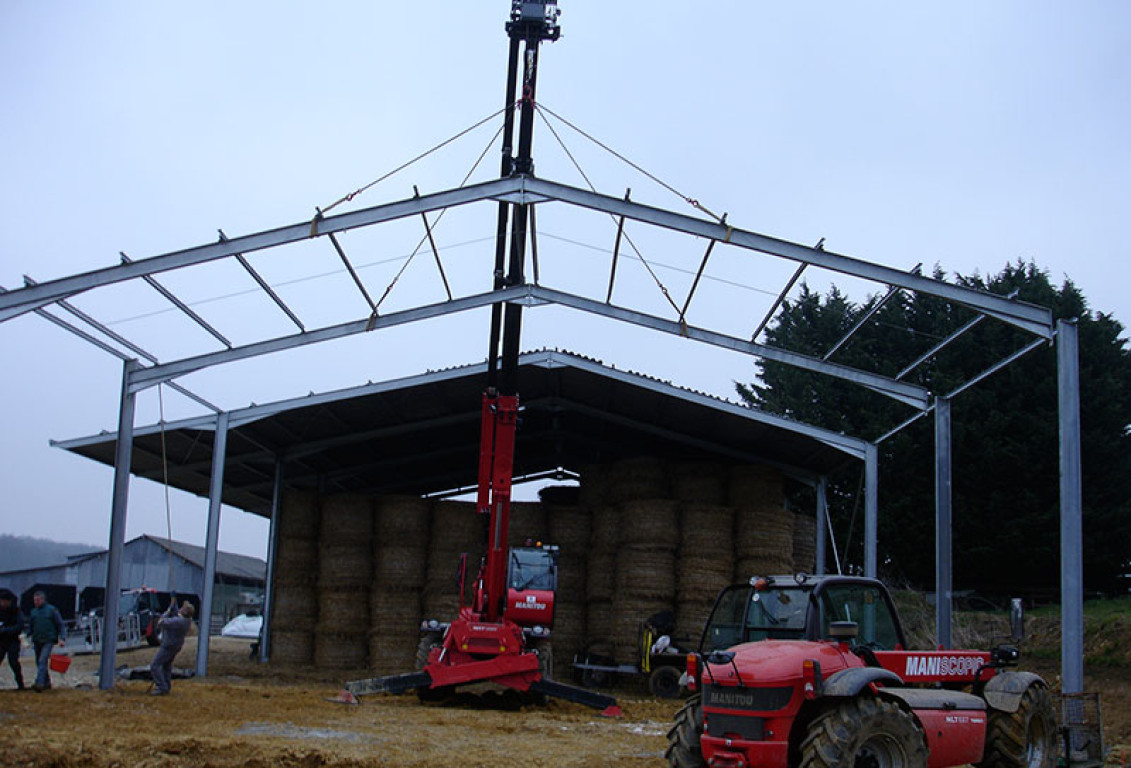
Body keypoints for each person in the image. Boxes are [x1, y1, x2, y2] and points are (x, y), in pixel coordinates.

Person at [149, 598, 194, 695]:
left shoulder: (178, 622)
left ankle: (162, 687)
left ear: (184, 611)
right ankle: (166, 686)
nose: (180, 609)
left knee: (154, 665)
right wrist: (173, 604)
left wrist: (168, 610)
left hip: (168, 646)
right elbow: (176, 614)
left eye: (182, 608)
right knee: (166, 665)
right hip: (176, 646)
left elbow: (161, 622)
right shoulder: (186, 621)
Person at [27, 590, 65, 691]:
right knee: (39, 662)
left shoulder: (52, 610)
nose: (36, 602)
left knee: (42, 660)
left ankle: (39, 683)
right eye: (35, 600)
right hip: (37, 640)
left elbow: (60, 624)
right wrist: (25, 635)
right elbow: (30, 627)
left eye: (38, 600)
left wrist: (62, 638)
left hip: (49, 640)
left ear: (43, 599)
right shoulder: (33, 612)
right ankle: (46, 682)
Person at [0, 589, 26, 690]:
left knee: (13, 662)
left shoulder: (17, 611)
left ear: (8, 601)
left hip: (13, 641)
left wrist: (5, 630)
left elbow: (19, 626)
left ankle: (20, 683)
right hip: (1, 641)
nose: (1, 603)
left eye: (3, 601)